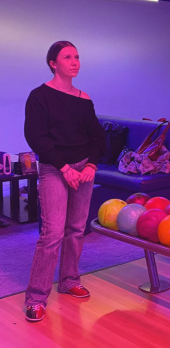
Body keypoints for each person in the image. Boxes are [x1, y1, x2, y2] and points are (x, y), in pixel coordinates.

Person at [23, 41, 105, 322]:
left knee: (76, 229)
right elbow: (36, 137)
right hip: (54, 169)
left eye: (77, 57)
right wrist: (65, 168)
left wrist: (91, 164)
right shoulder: (40, 96)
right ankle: (36, 298)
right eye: (67, 57)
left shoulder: (84, 98)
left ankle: (69, 280)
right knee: (52, 234)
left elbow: (97, 136)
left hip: (83, 169)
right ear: (53, 63)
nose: (74, 62)